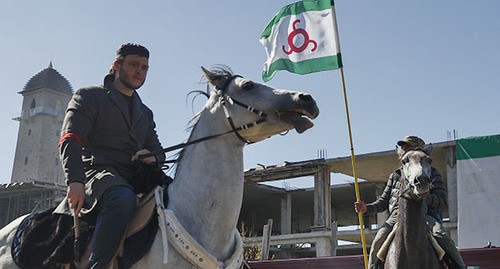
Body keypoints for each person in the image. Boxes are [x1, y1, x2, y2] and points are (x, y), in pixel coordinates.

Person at [56, 43, 166, 269]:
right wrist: (75, 181)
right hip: (97, 173)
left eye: (145, 67)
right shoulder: (88, 96)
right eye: (134, 64)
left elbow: (159, 152)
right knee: (122, 198)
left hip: (135, 176)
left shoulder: (145, 112)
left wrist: (152, 157)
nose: (140, 71)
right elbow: (70, 140)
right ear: (117, 65)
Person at [354, 135, 465, 269]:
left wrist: (424, 194)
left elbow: (442, 202)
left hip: (426, 216)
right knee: (378, 239)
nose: (404, 148)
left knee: (440, 235)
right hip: (396, 217)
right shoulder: (395, 175)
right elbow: (383, 202)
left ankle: (459, 266)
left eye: (408, 146)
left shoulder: (433, 173)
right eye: (403, 147)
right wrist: (367, 208)